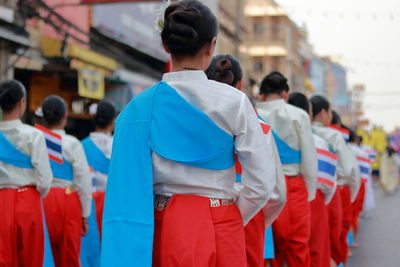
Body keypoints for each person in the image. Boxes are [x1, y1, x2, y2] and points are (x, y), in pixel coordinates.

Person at [101, 1, 277, 266]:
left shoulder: (138, 108)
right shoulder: (235, 102)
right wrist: (226, 215)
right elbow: (262, 184)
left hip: (163, 225)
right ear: (212, 45)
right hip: (222, 223)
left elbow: (125, 189)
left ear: (166, 46)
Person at [206, 54, 286, 267]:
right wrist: (256, 218)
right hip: (248, 212)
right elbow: (277, 192)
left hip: (198, 213)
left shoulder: (193, 117)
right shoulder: (260, 126)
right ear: (240, 84)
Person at [256, 72, 318, 267]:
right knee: (298, 247)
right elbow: (309, 159)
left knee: (267, 249)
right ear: (286, 94)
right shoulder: (298, 115)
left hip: (260, 186)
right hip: (293, 185)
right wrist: (309, 191)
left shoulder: (250, 113)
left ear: (262, 94)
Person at [0, 80, 53, 266]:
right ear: (22, 103)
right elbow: (45, 179)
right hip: (27, 199)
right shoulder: (33, 135)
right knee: (31, 257)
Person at [38, 95, 92, 267]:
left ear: (43, 117)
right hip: (68, 200)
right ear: (65, 117)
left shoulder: (34, 140)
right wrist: (85, 215)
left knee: (42, 253)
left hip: (40, 199)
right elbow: (83, 180)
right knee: (69, 255)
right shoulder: (72, 144)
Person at [288, 92, 337, 267]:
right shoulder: (318, 141)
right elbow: (327, 183)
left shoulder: (271, 131)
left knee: (287, 252)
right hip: (312, 198)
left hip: (280, 197)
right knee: (315, 249)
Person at [310, 95, 358, 267]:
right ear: (322, 112)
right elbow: (347, 169)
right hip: (332, 189)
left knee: (314, 244)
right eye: (329, 111)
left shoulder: (304, 130)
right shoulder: (334, 135)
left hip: (306, 191)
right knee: (335, 239)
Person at [82, 101, 116, 234]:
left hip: (90, 204)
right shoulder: (119, 145)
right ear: (113, 121)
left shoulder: (82, 146)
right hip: (114, 203)